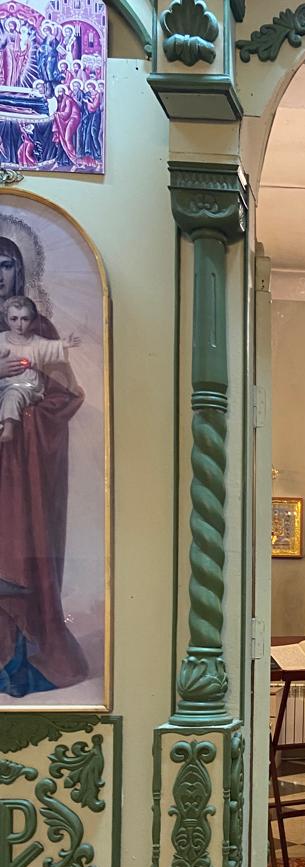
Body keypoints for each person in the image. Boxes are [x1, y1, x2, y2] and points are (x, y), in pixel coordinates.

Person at [0, 236, 87, 695]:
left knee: (20, 549)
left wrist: (26, 417)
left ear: (21, 272)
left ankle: (19, 662)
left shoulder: (42, 331)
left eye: (6, 265)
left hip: (23, 464)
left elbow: (65, 395)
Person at [0, 295, 79, 443]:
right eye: (14, 319)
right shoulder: (1, 340)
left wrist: (64, 344)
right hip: (3, 383)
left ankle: (8, 428)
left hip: (27, 386)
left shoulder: (37, 343)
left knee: (13, 395)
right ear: (6, 319)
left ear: (32, 320)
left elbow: (51, 347)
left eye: (24, 319)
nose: (19, 324)